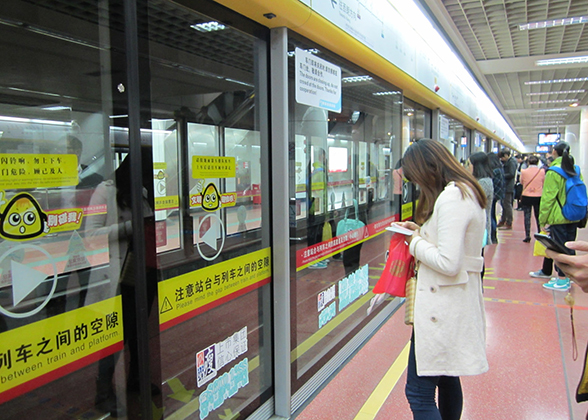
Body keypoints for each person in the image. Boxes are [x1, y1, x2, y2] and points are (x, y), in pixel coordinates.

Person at [394, 139, 488, 419]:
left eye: (416, 177)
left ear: (427, 170)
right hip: (451, 301)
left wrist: (412, 240)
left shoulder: (452, 197)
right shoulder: (466, 190)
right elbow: (452, 242)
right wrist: (421, 231)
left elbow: (448, 261)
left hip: (441, 306)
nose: (417, 185)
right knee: (447, 377)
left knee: (418, 393)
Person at [529, 141, 580, 291]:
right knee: (570, 246)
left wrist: (542, 219)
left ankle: (562, 279)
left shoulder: (553, 171)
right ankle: (570, 277)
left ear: (554, 153)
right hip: (574, 214)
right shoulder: (576, 169)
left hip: (558, 216)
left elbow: (548, 198)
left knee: (559, 248)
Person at [466, 152, 493, 249]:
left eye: (469, 164)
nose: (467, 167)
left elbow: (473, 201)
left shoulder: (484, 183)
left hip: (479, 226)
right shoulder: (477, 181)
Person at [520, 155, 544, 242]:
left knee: (527, 215)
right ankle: (540, 233)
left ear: (528, 162)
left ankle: (527, 235)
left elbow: (521, 182)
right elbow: (543, 183)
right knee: (538, 216)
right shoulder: (542, 172)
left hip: (526, 195)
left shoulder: (524, 171)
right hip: (538, 196)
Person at [497, 148, 517, 230]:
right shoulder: (509, 161)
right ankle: (503, 220)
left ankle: (509, 222)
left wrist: (502, 175)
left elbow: (511, 174)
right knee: (504, 204)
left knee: (507, 204)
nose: (501, 159)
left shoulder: (511, 162)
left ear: (506, 155)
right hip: (506, 186)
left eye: (502, 157)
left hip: (508, 186)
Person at [487, 152, 505, 244]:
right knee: (492, 214)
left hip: (492, 195)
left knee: (490, 216)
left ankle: (492, 235)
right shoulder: (500, 169)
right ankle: (494, 236)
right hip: (497, 195)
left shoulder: (493, 171)